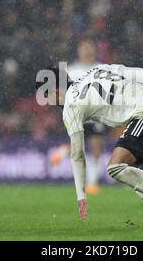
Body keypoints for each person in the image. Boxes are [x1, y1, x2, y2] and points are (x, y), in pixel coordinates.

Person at [36, 64, 143, 228]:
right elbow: (133, 73)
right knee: (128, 171)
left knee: (114, 167)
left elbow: (77, 154)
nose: (50, 103)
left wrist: (81, 195)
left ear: (55, 91)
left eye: (48, 97)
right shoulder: (95, 70)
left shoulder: (71, 106)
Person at [50, 38, 105, 195]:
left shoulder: (101, 68)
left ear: (94, 49)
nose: (87, 50)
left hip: (95, 114)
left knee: (96, 146)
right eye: (84, 47)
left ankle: (92, 183)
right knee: (78, 147)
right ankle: (64, 151)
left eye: (90, 47)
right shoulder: (71, 70)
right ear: (79, 51)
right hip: (76, 113)